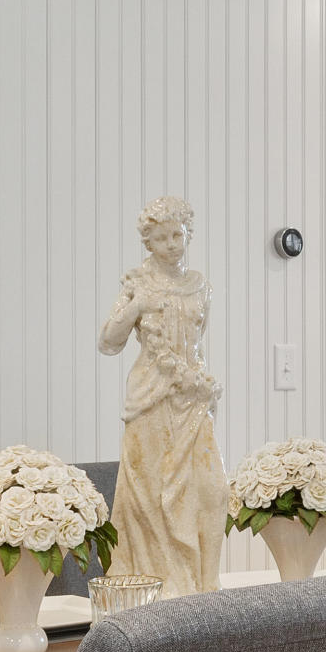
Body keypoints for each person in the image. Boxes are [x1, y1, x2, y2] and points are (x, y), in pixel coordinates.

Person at [98, 195, 228, 593]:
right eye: (161, 238)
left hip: (192, 395)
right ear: (148, 243)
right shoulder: (138, 285)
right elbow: (108, 342)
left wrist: (201, 386)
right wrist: (137, 305)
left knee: (211, 488)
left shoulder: (200, 286)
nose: (172, 244)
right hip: (151, 395)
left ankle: (203, 582)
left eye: (178, 235)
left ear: (188, 234)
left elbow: (195, 346)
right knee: (151, 492)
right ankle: (159, 582)